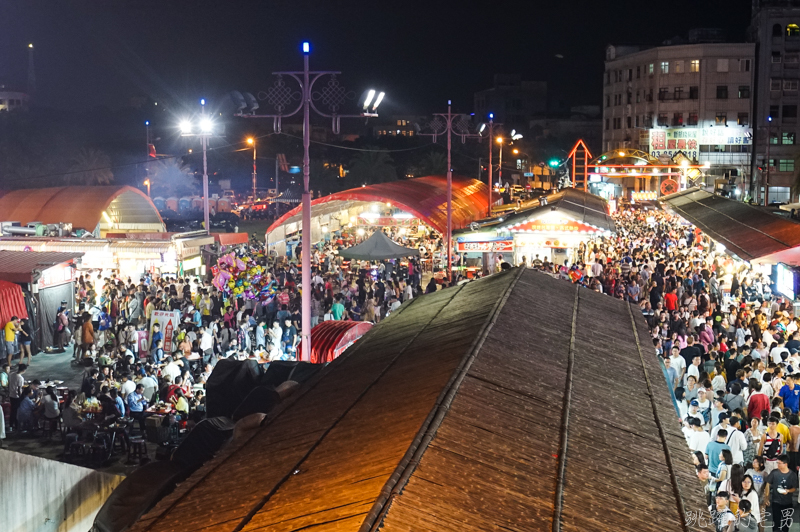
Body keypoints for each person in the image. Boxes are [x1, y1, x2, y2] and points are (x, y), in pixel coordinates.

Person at [764, 454, 798, 532]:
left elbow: (794, 488)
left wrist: (788, 491)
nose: (777, 465)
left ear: (785, 464)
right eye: (777, 463)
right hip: (776, 501)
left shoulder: (792, 475)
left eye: (779, 463)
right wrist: (767, 497)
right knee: (776, 522)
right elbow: (768, 483)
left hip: (788, 502)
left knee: (786, 523)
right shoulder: (774, 472)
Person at [8, 363, 26, 430]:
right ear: (24, 370)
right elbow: (19, 389)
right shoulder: (20, 378)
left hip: (11, 395)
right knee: (17, 412)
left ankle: (11, 425)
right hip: (16, 396)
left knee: (12, 411)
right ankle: (16, 426)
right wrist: (21, 397)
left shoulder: (12, 374)